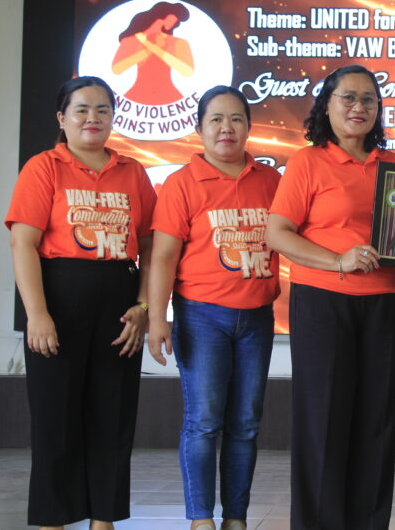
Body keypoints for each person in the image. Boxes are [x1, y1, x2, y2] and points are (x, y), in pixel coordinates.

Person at [266, 64, 395, 530]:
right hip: (323, 301)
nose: (359, 107)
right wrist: (337, 260)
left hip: (382, 300)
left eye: (369, 100)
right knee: (323, 418)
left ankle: (369, 523)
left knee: (376, 420)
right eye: (349, 98)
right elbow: (277, 233)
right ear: (327, 105)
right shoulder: (307, 161)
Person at [5, 76, 156, 530]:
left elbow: (151, 245)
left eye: (102, 110)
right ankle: (53, 520)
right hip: (59, 297)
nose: (93, 118)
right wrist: (37, 314)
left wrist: (144, 306)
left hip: (119, 299)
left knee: (113, 414)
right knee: (55, 418)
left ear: (113, 117)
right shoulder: (43, 167)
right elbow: (23, 243)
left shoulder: (133, 171)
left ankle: (104, 520)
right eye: (82, 109)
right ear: (62, 118)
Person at [146, 86, 281, 530]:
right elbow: (163, 256)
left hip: (257, 317)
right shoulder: (182, 183)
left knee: (246, 422)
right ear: (199, 127)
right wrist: (157, 318)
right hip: (201, 316)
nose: (227, 128)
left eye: (236, 119)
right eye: (216, 120)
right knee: (203, 421)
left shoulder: (270, 180)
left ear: (249, 127)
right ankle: (201, 517)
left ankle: (235, 517)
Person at [111, 0, 194, 105]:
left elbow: (187, 71)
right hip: (137, 95)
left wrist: (153, 47)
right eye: (171, 18)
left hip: (170, 96)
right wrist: (147, 48)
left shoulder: (178, 43)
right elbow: (117, 69)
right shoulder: (132, 41)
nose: (173, 22)